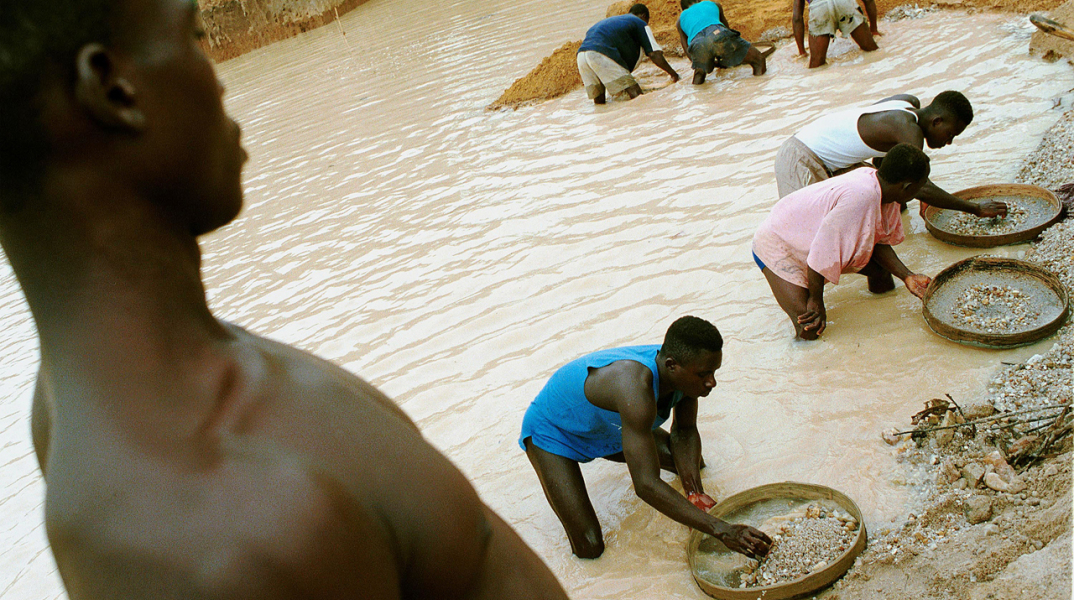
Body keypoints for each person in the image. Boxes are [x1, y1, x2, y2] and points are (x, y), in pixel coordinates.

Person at [0, 1, 571, 598]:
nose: (219, 80)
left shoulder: (79, 407)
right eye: (193, 40)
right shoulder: (251, 529)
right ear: (113, 90)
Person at [519, 316, 772, 560]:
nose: (711, 382)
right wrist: (721, 529)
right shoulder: (635, 387)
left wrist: (695, 494)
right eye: (705, 375)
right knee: (590, 546)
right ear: (672, 365)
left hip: (609, 427)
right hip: (554, 434)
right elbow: (646, 485)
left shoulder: (686, 375)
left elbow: (684, 432)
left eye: (714, 372)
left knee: (692, 467)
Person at [754, 144, 934, 340]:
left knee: (881, 273)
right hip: (778, 244)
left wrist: (907, 276)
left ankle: (885, 331)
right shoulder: (860, 198)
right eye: (922, 184)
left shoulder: (881, 187)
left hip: (809, 235)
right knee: (810, 329)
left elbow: (877, 240)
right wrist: (816, 300)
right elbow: (821, 252)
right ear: (907, 188)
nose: (923, 189)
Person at [774, 91, 1008, 220]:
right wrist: (974, 209)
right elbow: (920, 186)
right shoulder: (909, 130)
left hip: (831, 156)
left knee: (883, 205)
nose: (949, 142)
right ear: (937, 121)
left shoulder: (908, 103)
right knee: (805, 232)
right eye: (949, 134)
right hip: (801, 158)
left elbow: (882, 160)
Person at [577, 3, 680, 104]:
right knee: (637, 95)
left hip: (581, 56)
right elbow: (654, 54)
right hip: (601, 53)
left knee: (600, 102)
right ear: (644, 16)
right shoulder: (640, 22)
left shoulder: (618, 21)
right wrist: (674, 75)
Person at [677, 0, 770, 83]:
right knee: (758, 59)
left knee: (699, 74)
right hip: (718, 33)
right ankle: (759, 85)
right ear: (698, 0)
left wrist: (699, 63)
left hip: (698, 44)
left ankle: (698, 98)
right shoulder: (714, 4)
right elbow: (727, 31)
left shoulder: (680, 20)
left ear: (684, 10)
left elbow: (687, 48)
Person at [792, 0, 880, 69]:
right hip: (844, 3)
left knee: (817, 66)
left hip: (820, 8)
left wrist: (802, 52)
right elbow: (868, 1)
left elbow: (797, 18)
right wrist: (874, 30)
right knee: (872, 51)